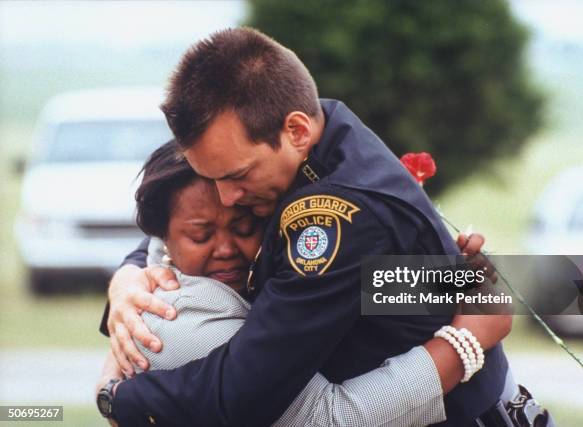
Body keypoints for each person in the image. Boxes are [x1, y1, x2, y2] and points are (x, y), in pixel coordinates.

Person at [98, 28, 532, 426]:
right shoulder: (316, 134)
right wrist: (128, 276)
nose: (227, 197)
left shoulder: (332, 218)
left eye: (236, 177)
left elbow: (247, 396)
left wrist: (116, 397)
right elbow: (375, 288)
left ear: (296, 131)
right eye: (214, 179)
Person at [97, 140, 512, 426]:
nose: (225, 248)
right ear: (163, 237)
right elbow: (325, 419)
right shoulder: (173, 316)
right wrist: (465, 343)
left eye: (245, 224)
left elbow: (343, 290)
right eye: (201, 235)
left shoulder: (263, 271)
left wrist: (443, 270)